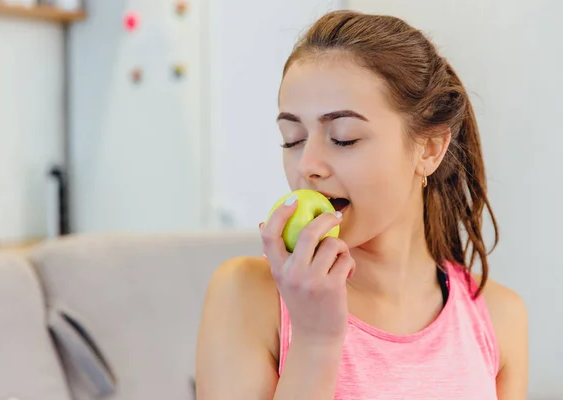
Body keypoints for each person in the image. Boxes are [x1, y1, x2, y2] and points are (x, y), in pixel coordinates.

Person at [196, 10, 528, 400]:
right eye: (292, 139)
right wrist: (315, 339)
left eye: (343, 138)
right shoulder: (248, 296)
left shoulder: (498, 319)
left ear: (431, 148)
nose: (307, 166)